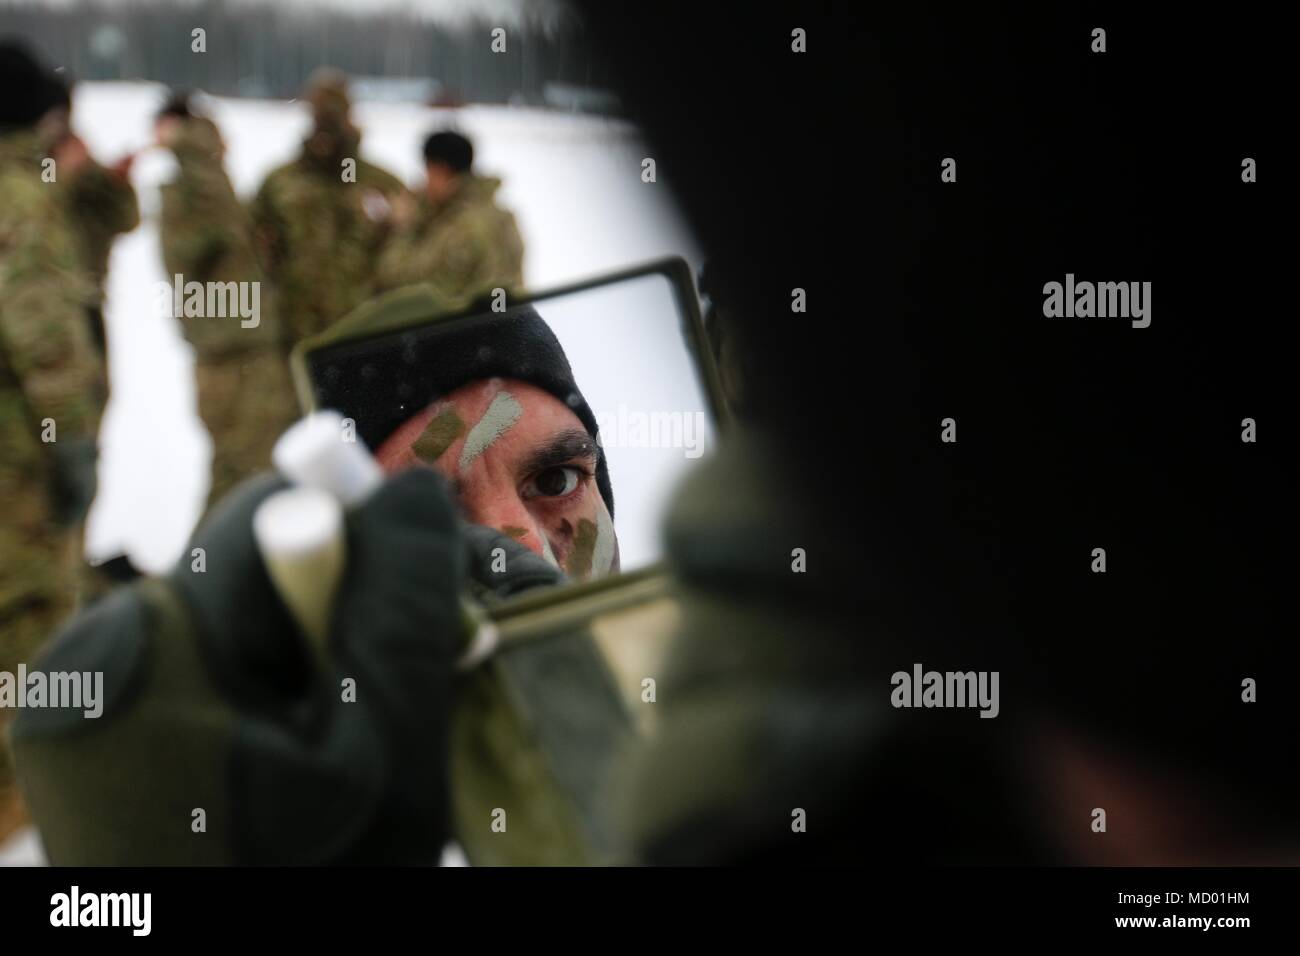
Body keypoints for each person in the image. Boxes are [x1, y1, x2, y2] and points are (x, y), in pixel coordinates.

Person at [0, 38, 106, 860]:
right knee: (31, 634)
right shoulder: (21, 194)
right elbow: (39, 331)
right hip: (17, 474)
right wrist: (68, 441)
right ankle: (23, 817)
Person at [154, 92, 299, 507]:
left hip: (237, 346)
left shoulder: (199, 188)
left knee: (249, 469)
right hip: (234, 352)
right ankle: (210, 564)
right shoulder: (197, 188)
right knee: (243, 474)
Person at [249, 68, 405, 352]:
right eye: (320, 113)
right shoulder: (280, 182)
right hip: (292, 335)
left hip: (365, 333)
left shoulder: (381, 183)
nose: (327, 124)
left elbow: (409, 253)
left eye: (334, 113)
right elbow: (252, 246)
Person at [376, 130, 524, 301]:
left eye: (427, 173)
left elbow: (397, 282)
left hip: (475, 326)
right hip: (505, 321)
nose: (425, 183)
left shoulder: (460, 228)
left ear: (440, 171)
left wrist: (403, 226)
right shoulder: (499, 215)